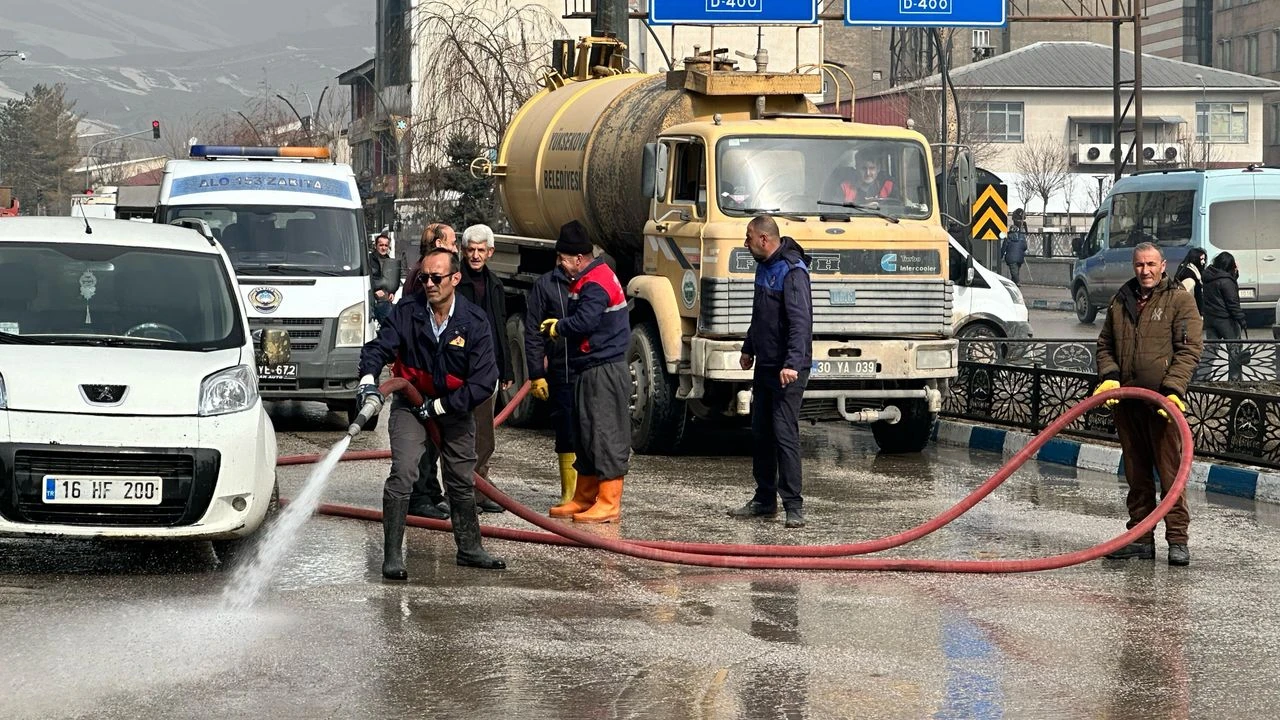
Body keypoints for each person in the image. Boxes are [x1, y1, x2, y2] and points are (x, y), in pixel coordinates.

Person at [357, 248, 506, 579]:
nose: (428, 284)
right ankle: (392, 557)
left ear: (455, 279)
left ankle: (470, 549)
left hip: (454, 408)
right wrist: (368, 379)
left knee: (461, 478)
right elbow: (380, 347)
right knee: (404, 471)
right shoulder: (408, 311)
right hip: (411, 405)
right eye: (424, 277)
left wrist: (440, 406)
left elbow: (483, 383)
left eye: (436, 278)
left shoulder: (474, 322)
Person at [1093, 242, 1203, 567]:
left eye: (1151, 264)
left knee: (1171, 475)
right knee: (1136, 474)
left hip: (1162, 405)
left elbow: (1189, 350)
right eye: (1140, 265)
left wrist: (1173, 390)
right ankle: (1140, 539)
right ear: (1134, 266)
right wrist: (1110, 376)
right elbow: (1105, 345)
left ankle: (1178, 541)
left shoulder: (1179, 299)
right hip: (1128, 403)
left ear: (1163, 265)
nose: (1146, 271)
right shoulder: (1121, 299)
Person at [540, 220, 632, 523]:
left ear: (579, 258)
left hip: (603, 369)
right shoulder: (590, 277)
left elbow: (585, 322)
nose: (560, 264)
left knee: (604, 433)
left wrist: (559, 327)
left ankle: (609, 501)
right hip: (590, 367)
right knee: (586, 433)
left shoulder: (595, 282)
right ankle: (585, 496)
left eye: (563, 258)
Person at [728, 215, 813, 529]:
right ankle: (764, 499)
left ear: (764, 239)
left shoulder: (792, 271)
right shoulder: (764, 266)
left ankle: (793, 505)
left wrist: (791, 363)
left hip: (787, 369)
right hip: (765, 364)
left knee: (783, 432)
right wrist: (748, 347)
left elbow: (800, 322)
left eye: (748, 237)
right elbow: (759, 313)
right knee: (761, 431)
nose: (745, 243)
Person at [457, 224, 513, 514]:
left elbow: (499, 327)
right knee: (460, 434)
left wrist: (506, 368)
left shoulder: (495, 285)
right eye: (471, 250)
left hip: (487, 369)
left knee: (484, 436)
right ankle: (460, 492)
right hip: (460, 369)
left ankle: (479, 490)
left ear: (490, 252)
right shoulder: (455, 283)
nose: (476, 255)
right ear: (463, 251)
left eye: (481, 250)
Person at [406, 223, 458, 520]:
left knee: (434, 437)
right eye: (452, 241)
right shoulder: (424, 279)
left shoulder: (423, 274)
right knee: (424, 440)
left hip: (434, 375)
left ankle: (430, 490)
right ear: (439, 243)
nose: (455, 247)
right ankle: (419, 496)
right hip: (422, 375)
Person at [524, 259, 578, 506]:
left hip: (590, 373)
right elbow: (533, 332)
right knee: (565, 430)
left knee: (591, 432)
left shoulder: (592, 283)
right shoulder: (545, 285)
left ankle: (589, 492)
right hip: (561, 371)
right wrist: (536, 374)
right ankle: (569, 492)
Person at [1203, 251, 1247, 382]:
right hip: (1226, 320)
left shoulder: (1209, 277)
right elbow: (1232, 303)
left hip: (1211, 319)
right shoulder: (1226, 281)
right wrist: (1241, 319)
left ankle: (1202, 376)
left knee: (1211, 349)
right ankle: (1235, 379)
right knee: (1234, 349)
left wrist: (1234, 275)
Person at [828, 150, 894, 204]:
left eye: (872, 168)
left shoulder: (888, 186)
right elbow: (836, 210)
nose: (868, 173)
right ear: (856, 168)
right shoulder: (844, 188)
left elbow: (895, 208)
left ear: (878, 169)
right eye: (863, 168)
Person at [369, 233, 400, 326]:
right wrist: (375, 290)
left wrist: (392, 292)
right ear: (376, 246)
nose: (383, 248)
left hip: (386, 298)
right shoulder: (369, 260)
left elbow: (393, 279)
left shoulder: (390, 261)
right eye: (381, 245)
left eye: (386, 245)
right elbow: (368, 277)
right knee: (390, 324)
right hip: (373, 297)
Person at [1174, 248, 1208, 315]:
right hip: (1190, 311)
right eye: (1201, 259)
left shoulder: (1189, 270)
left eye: (1204, 259)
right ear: (1195, 258)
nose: (1203, 262)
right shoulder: (1188, 274)